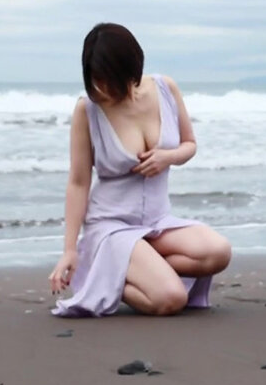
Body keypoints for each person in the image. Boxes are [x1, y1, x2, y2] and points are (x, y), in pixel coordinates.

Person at [48, 23, 231, 317]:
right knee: (171, 299)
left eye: (109, 78)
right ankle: (108, 275)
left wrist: (167, 157)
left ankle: (127, 270)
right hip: (112, 226)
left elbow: (189, 145)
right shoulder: (88, 110)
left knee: (218, 253)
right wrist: (69, 250)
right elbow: (78, 182)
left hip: (158, 222)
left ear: (130, 68)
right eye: (96, 79)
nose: (102, 88)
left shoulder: (165, 88)